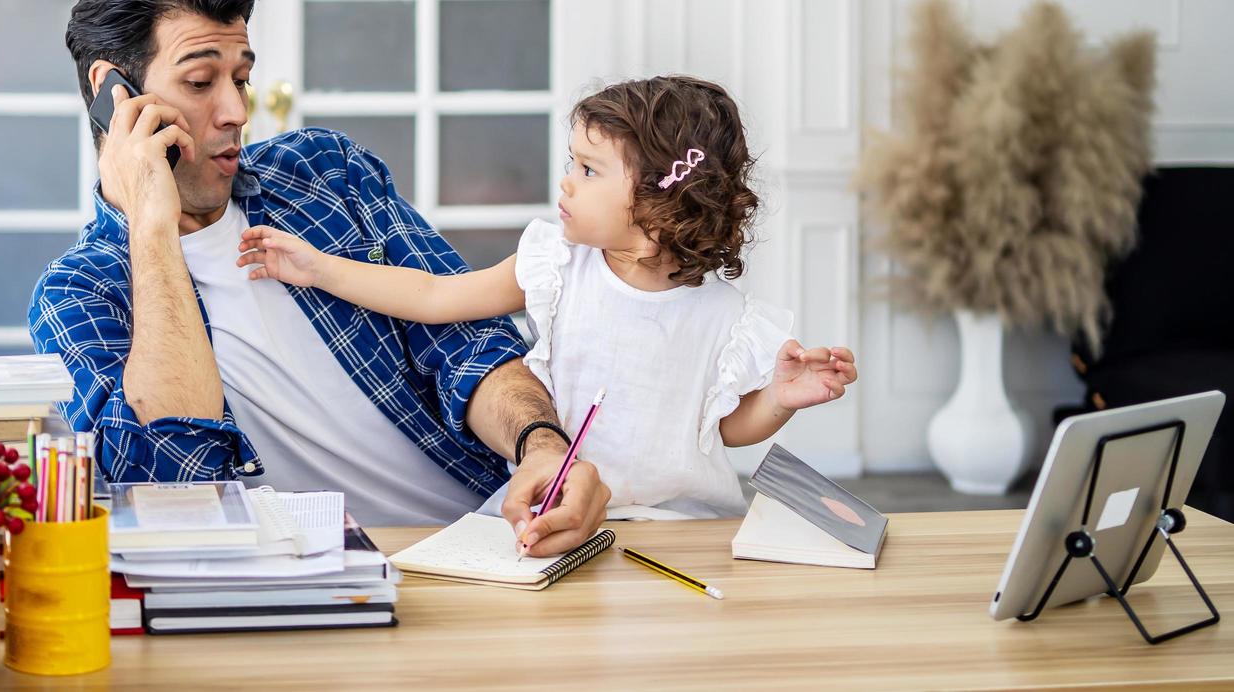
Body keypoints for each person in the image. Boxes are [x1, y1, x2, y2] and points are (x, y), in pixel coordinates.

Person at [28, 0, 609, 555]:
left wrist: (541, 446)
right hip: (330, 586)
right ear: (113, 94)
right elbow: (172, 482)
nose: (235, 110)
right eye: (200, 81)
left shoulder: (326, 173)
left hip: (506, 535)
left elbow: (468, 342)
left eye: (242, 78)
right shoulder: (80, 295)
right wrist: (150, 223)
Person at [238, 76, 858, 519]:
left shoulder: (729, 318)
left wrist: (779, 399)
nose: (566, 181)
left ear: (658, 208)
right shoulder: (557, 264)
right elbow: (434, 294)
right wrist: (320, 269)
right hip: (558, 504)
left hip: (683, 526)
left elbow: (727, 428)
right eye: (573, 162)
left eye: (589, 171)